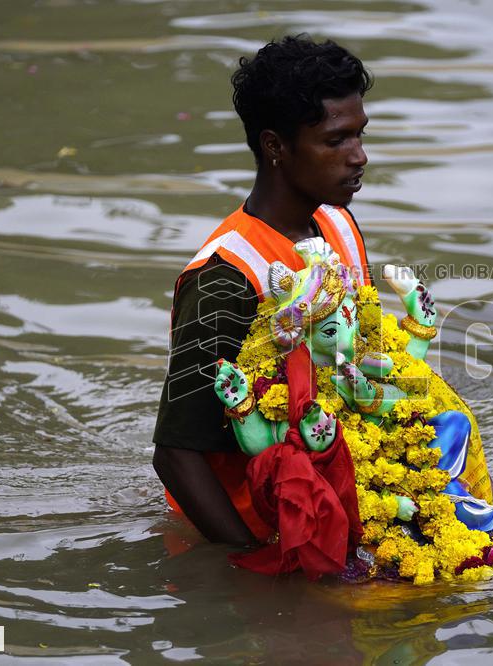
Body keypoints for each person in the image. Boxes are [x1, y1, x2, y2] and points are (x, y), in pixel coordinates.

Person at [152, 35, 374, 546]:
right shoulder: (226, 277)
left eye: (360, 135)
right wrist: (261, 568)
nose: (359, 156)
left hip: (341, 491)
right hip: (262, 525)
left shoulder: (339, 226)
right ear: (275, 146)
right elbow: (176, 454)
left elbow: (362, 360)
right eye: (336, 141)